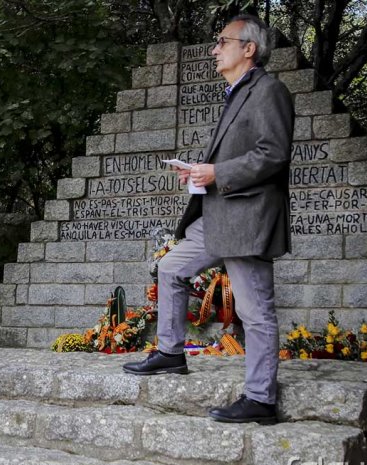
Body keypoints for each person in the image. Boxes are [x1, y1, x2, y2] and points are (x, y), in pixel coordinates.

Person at [122, 14, 293, 425]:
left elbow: (273, 154)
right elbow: (239, 154)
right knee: (171, 267)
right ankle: (170, 353)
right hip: (217, 216)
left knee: (255, 311)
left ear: (248, 48)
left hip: (248, 220)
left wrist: (218, 173)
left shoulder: (269, 90)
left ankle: (260, 398)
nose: (214, 49)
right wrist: (201, 171)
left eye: (222, 41)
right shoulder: (236, 94)